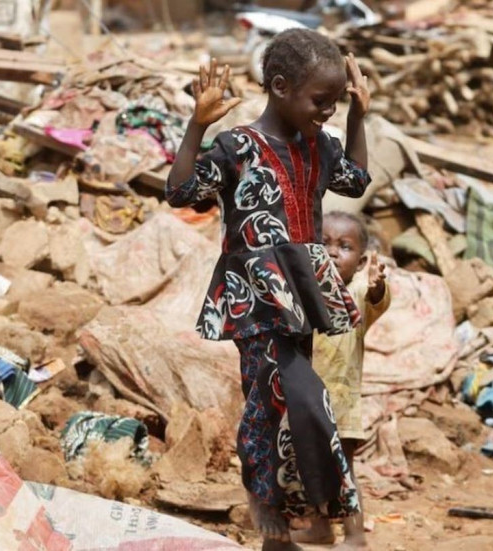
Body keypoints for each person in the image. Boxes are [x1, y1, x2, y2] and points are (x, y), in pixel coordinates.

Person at [166, 28, 372, 551]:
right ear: (279, 86)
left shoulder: (319, 145)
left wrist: (358, 116)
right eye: (320, 101)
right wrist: (197, 125)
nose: (326, 111)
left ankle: (282, 523)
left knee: (273, 405)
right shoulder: (237, 147)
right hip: (256, 294)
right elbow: (181, 192)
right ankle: (302, 516)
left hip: (303, 294)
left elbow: (354, 181)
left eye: (334, 101)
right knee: (295, 396)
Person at [295, 212, 390, 548]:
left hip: (341, 404)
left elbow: (377, 298)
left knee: (342, 470)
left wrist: (378, 286)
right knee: (308, 466)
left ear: (361, 260)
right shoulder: (304, 291)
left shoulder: (359, 294)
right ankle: (320, 528)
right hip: (307, 402)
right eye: (324, 243)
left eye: (345, 247)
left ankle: (354, 536)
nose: (333, 252)